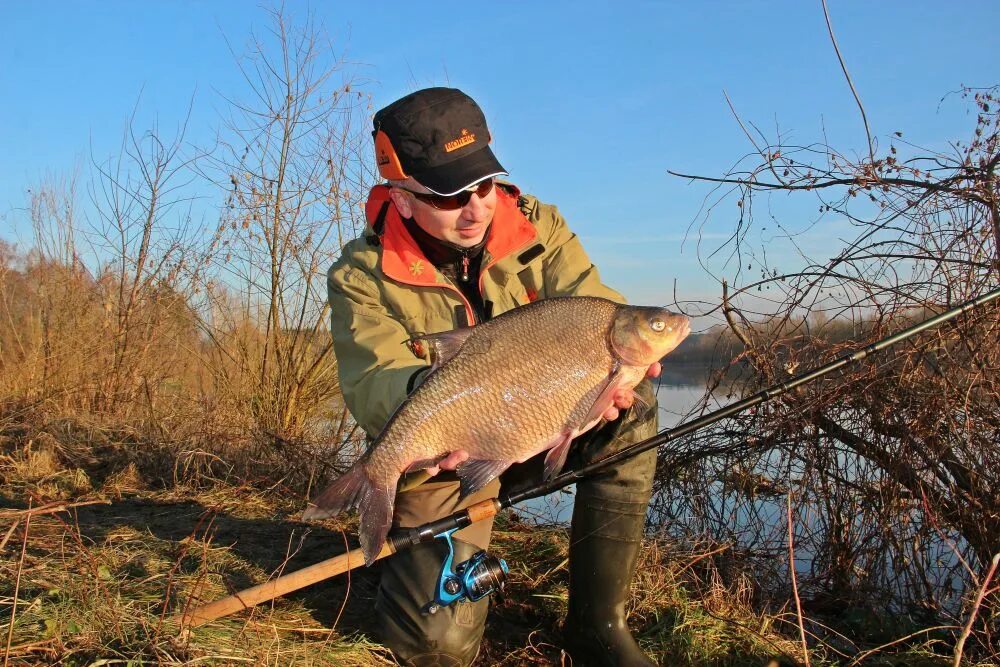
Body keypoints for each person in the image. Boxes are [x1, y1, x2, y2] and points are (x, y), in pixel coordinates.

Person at [323, 87, 659, 666]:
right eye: (451, 196)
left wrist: (618, 378)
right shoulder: (361, 275)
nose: (477, 207)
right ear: (402, 199)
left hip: (548, 420)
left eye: (482, 184)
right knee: (434, 647)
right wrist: (443, 419)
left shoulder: (539, 228)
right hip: (445, 452)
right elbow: (374, 377)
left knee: (637, 405)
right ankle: (398, 560)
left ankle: (598, 625)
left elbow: (599, 308)